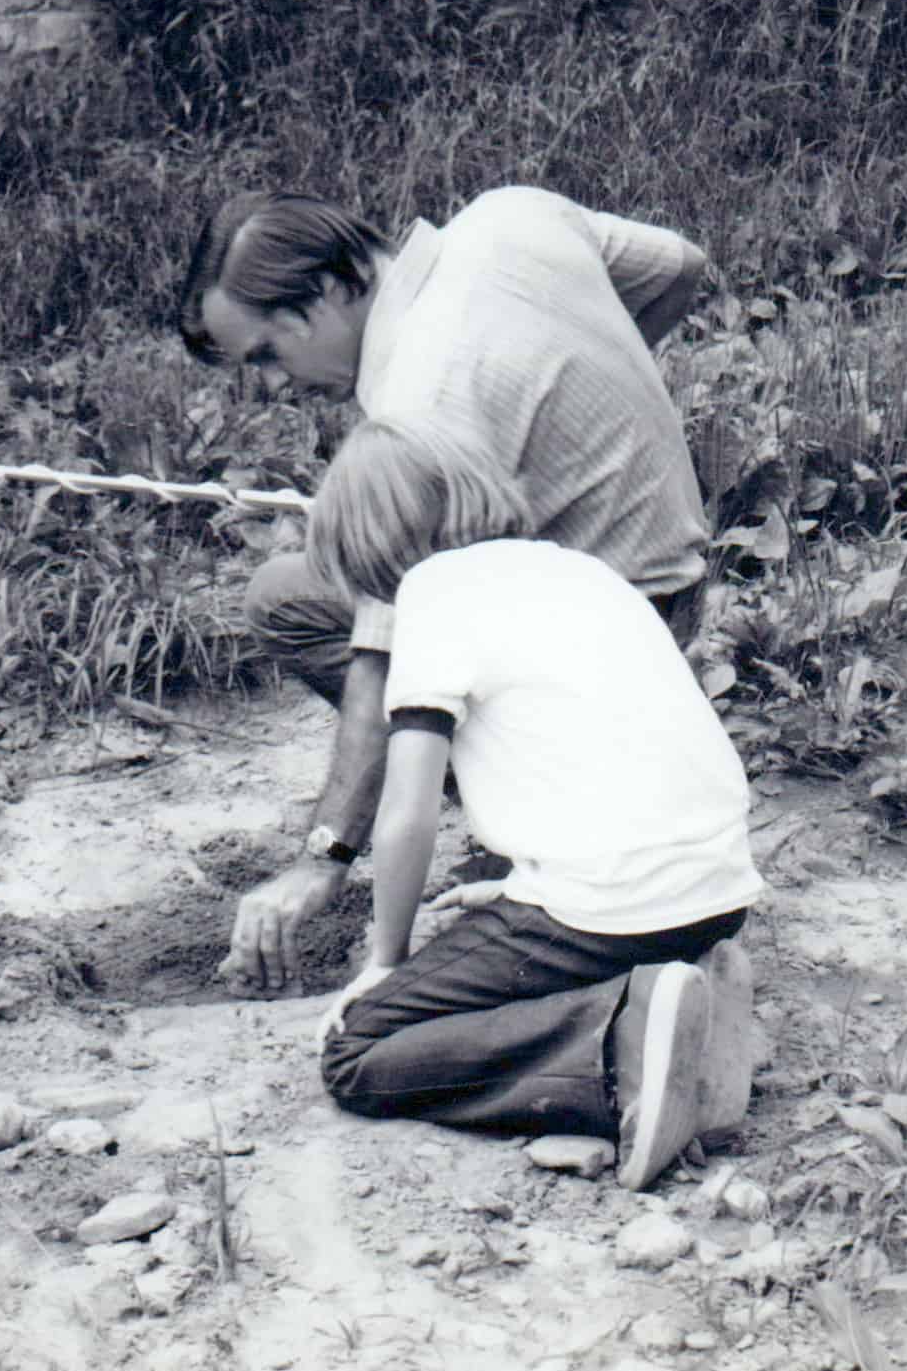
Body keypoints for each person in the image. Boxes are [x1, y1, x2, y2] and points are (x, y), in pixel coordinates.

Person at [179, 186, 711, 993]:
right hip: (659, 585)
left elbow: (383, 659)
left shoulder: (423, 394)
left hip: (614, 629)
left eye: (266, 354)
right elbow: (679, 266)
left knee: (382, 634)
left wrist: (325, 858)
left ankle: (541, 818)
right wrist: (570, 401)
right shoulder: (507, 218)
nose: (276, 382)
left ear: (323, 295)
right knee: (286, 595)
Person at [303, 420, 760, 1187]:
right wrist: (522, 885)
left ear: (365, 543)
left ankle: (619, 1042)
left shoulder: (433, 593)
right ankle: (690, 991)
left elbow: (408, 811)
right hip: (717, 892)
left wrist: (384, 962)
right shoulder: (581, 571)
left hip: (614, 906)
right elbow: (598, 763)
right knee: (515, 943)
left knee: (358, 1052)